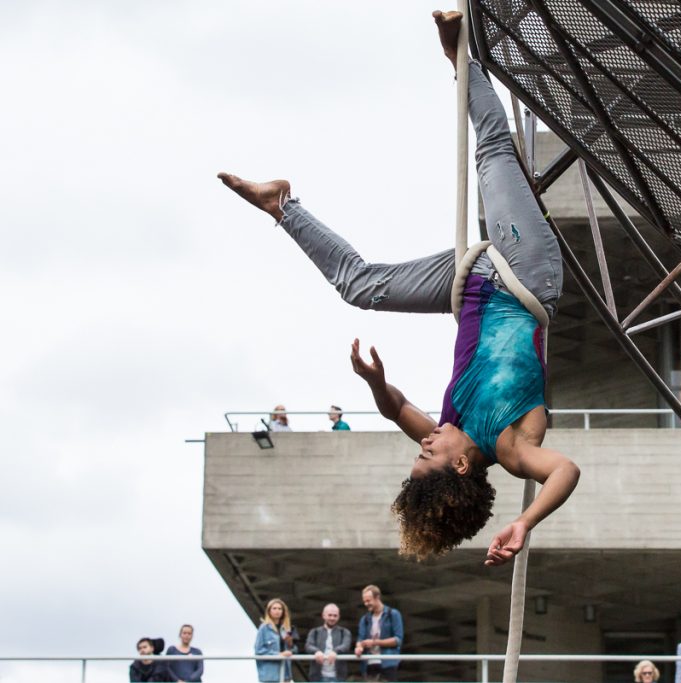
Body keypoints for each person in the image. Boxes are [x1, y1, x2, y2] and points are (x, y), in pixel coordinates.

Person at [218, 10, 579, 565]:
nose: (425, 442)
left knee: (359, 287)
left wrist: (376, 384)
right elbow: (565, 470)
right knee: (492, 150)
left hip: (471, 289)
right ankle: (459, 55)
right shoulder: (511, 446)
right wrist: (525, 521)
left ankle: (280, 205)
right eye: (427, 455)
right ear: (460, 466)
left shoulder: (449, 429)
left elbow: (395, 410)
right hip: (523, 272)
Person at [354, 585, 403, 681]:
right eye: (364, 601)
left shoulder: (393, 614)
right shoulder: (365, 619)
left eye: (368, 600)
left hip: (388, 663)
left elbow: (398, 640)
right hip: (369, 664)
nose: (366, 604)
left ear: (377, 597)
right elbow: (360, 638)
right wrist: (359, 647)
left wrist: (374, 642)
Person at [305, 603, 353, 682]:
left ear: (339, 617)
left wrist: (335, 651)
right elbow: (308, 645)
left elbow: (346, 645)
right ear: (323, 615)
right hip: (317, 677)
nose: (332, 618)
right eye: (329, 615)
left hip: (338, 678)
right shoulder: (314, 632)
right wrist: (316, 651)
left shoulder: (344, 632)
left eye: (335, 615)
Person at [255, 598, 297, 683]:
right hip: (270, 674)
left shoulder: (287, 628)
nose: (277, 611)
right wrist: (278, 654)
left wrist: (291, 647)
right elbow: (258, 651)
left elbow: (295, 649)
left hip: (286, 673)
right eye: (274, 608)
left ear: (283, 611)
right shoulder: (264, 628)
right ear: (269, 611)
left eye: (279, 608)